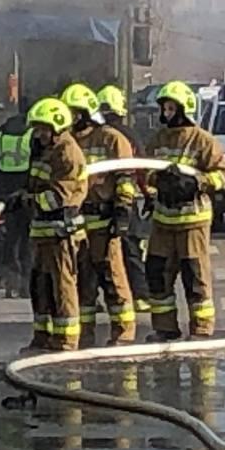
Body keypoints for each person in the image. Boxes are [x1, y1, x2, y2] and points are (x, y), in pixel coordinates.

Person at [143, 80, 225, 341]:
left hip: (192, 222)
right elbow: (144, 169)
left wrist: (196, 182)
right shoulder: (158, 139)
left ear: (185, 109)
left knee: (195, 277)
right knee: (158, 274)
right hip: (162, 222)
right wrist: (158, 180)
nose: (167, 114)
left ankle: (201, 331)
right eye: (165, 109)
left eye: (172, 109)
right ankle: (165, 328)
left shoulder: (203, 141)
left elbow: (223, 174)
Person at [62, 83, 137, 347]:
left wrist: (123, 209)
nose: (69, 118)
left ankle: (124, 334)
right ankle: (85, 335)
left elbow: (125, 177)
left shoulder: (111, 139)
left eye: (73, 112)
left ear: (84, 112)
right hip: (77, 223)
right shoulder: (66, 143)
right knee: (83, 282)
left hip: (104, 222)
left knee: (112, 278)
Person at [22, 98, 87, 351]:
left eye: (43, 130)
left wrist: (30, 201)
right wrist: (22, 195)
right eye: (37, 129)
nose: (38, 135)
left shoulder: (67, 153)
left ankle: (66, 340)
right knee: (40, 285)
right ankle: (42, 336)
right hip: (42, 233)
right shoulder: (45, 151)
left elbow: (57, 197)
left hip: (62, 233)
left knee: (62, 287)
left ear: (57, 128)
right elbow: (36, 184)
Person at [98, 84, 151, 312]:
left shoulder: (96, 135)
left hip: (99, 203)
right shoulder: (129, 135)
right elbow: (140, 169)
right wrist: (148, 194)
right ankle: (139, 296)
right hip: (127, 200)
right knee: (131, 249)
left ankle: (94, 299)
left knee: (96, 254)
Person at [0, 107, 33, 299]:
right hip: (26, 191)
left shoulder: (0, 134)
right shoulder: (31, 134)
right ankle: (26, 284)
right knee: (27, 240)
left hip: (5, 192)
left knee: (11, 239)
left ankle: (10, 282)